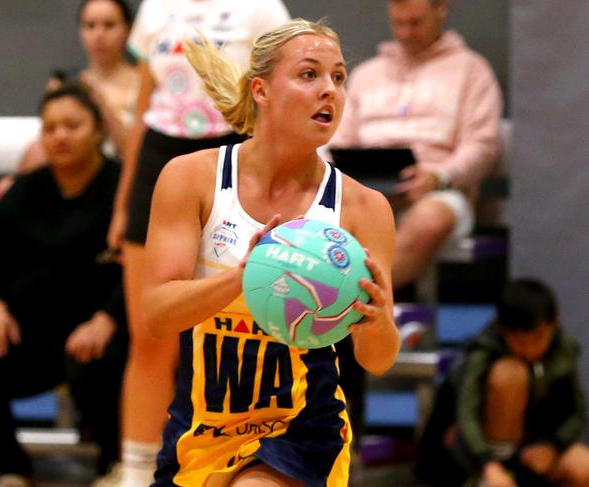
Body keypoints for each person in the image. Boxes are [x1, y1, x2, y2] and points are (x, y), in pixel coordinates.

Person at [139, 19, 400, 486]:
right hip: (200, 430)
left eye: (338, 77)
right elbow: (157, 315)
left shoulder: (364, 207)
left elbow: (378, 359)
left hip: (303, 430)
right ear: (260, 90)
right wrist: (244, 277)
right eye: (309, 74)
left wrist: (378, 323)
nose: (330, 91)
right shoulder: (192, 178)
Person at [100, 1, 290, 484]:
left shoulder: (262, 8)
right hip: (160, 155)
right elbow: (144, 109)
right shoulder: (155, 8)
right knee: (150, 333)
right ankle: (138, 471)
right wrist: (125, 202)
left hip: (233, 148)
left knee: (232, 327)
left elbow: (284, 93)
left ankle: (241, 460)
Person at [0, 82, 128, 487]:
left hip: (98, 333)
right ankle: (13, 468)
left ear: (98, 131)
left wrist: (106, 319)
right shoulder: (23, 191)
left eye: (72, 125)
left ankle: (112, 467)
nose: (60, 135)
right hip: (27, 334)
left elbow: (137, 269)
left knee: (102, 363)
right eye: (50, 128)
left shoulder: (122, 192)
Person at [330, 0, 503, 291]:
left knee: (430, 219)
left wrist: (439, 177)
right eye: (398, 24)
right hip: (366, 191)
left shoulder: (472, 71)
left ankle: (355, 301)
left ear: (441, 10)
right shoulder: (366, 75)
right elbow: (336, 139)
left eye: (415, 23)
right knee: (315, 212)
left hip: (437, 192)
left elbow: (482, 146)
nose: (406, 33)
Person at [417, 278, 589, 487]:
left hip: (533, 449)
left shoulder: (564, 351)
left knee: (583, 467)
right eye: (519, 340)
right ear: (500, 327)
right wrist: (487, 463)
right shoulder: (481, 356)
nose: (529, 349)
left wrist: (554, 447)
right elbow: (466, 415)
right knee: (511, 373)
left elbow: (577, 413)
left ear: (555, 324)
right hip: (474, 456)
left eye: (538, 338)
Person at [19, 0, 139, 173]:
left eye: (109, 25)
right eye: (90, 26)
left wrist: (101, 105)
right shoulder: (65, 84)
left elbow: (136, 153)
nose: (99, 34)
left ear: (128, 30)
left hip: (120, 178)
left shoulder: (143, 86)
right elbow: (44, 148)